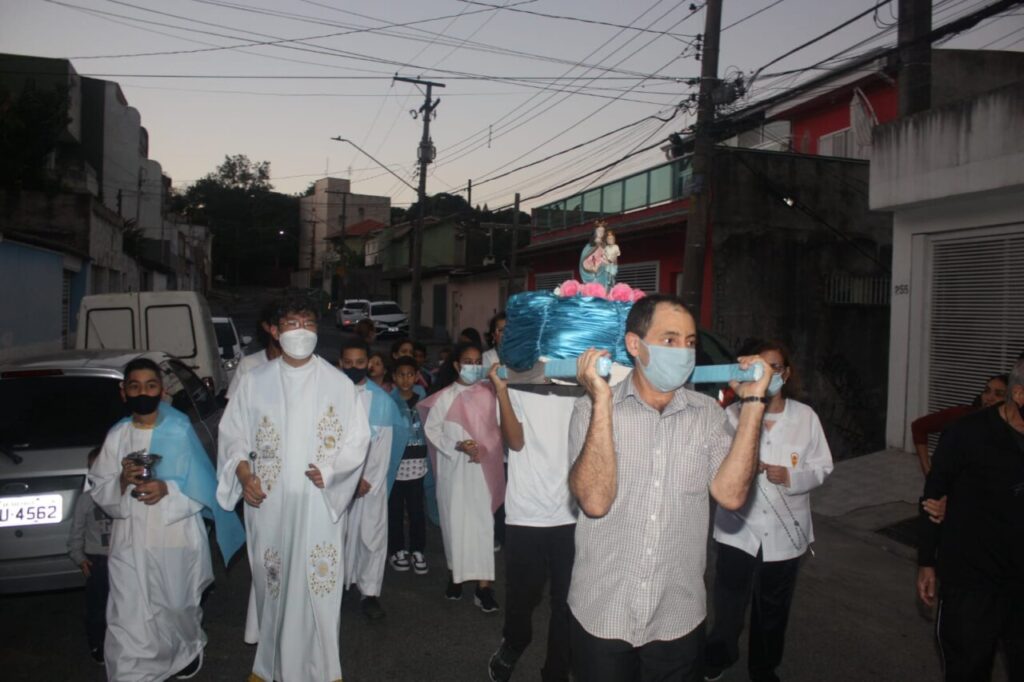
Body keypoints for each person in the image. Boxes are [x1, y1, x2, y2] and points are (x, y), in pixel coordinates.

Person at [567, 293, 770, 682]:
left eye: (690, 342)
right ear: (635, 345)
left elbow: (731, 495)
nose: (683, 352)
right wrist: (602, 402)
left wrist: (754, 404)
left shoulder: (707, 415)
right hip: (603, 612)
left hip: (677, 618)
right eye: (670, 340)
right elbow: (594, 502)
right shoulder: (590, 411)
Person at [217, 295, 371, 682]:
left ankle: (324, 668)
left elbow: (358, 440)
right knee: (274, 581)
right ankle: (268, 665)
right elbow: (233, 435)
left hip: (319, 504)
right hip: (270, 503)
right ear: (274, 330)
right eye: (291, 323)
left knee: (317, 584)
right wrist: (244, 475)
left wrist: (332, 472)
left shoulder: (338, 384)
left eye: (308, 323)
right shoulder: (254, 382)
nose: (300, 331)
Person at [90, 357, 245, 680]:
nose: (142, 392)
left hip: (174, 535)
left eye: (150, 386)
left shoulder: (179, 429)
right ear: (124, 392)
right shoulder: (117, 436)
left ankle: (185, 650)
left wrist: (167, 489)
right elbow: (100, 488)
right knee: (128, 613)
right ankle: (131, 672)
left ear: (161, 391)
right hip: (130, 540)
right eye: (135, 386)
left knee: (176, 606)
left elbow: (202, 486)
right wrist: (122, 481)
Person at [704, 341, 834, 682]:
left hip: (784, 535)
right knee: (728, 602)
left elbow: (823, 467)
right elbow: (714, 464)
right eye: (760, 366)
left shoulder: (805, 418)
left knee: (773, 609)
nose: (768, 373)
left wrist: (791, 476)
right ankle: (718, 656)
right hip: (737, 530)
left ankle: (763, 669)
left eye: (775, 367)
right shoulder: (733, 415)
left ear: (786, 374)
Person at [916, 358, 1024, 682]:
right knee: (968, 670)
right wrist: (927, 561)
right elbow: (933, 497)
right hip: (972, 583)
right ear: (1019, 395)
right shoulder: (967, 433)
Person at [486, 364, 579, 682]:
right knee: (522, 596)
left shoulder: (580, 381)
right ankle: (514, 642)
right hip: (527, 512)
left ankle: (556, 670)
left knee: (567, 601)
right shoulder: (516, 381)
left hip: (572, 513)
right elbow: (515, 442)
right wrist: (502, 391)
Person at [421, 342, 504, 612]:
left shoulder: (489, 394)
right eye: (468, 361)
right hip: (453, 470)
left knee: (482, 527)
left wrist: (483, 449)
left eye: (478, 361)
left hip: (482, 471)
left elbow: (498, 431)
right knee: (454, 524)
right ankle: (455, 577)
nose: (474, 366)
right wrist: (457, 445)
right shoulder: (445, 397)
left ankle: (484, 587)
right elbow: (432, 430)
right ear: (457, 365)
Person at [339, 338, 408, 621]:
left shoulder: (381, 401)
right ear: (340, 363)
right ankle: (336, 586)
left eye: (360, 362)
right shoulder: (331, 395)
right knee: (339, 536)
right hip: (337, 484)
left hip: (370, 485)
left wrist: (363, 480)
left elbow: (383, 450)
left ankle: (369, 593)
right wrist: (346, 480)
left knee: (371, 537)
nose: (354, 367)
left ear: (368, 363)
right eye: (348, 362)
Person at [67, 446, 113, 665]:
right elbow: (76, 532)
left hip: (122, 558)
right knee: (98, 605)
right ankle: (98, 643)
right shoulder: (85, 500)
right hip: (97, 561)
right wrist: (79, 557)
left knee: (125, 602)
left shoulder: (122, 496)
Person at [910, 374, 1008, 475]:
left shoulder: (1013, 428)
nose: (989, 398)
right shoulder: (964, 415)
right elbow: (919, 426)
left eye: (999, 394)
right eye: (987, 391)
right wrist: (928, 472)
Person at [388, 356, 432, 575]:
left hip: (418, 467)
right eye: (401, 375)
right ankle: (397, 550)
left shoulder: (425, 401)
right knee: (394, 511)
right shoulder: (389, 402)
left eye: (410, 374)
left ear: (416, 377)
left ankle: (417, 550)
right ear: (394, 377)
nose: (406, 379)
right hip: (396, 468)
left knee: (416, 511)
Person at [227, 301, 283, 400]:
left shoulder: (308, 366)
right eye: (282, 325)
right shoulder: (249, 364)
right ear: (267, 327)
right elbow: (234, 403)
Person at [579, 222, 611, 290]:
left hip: (603, 274)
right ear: (595, 232)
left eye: (602, 231)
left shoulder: (604, 246)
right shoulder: (589, 247)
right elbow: (585, 262)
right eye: (599, 230)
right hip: (594, 275)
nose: (601, 233)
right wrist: (592, 268)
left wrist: (607, 262)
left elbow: (607, 259)